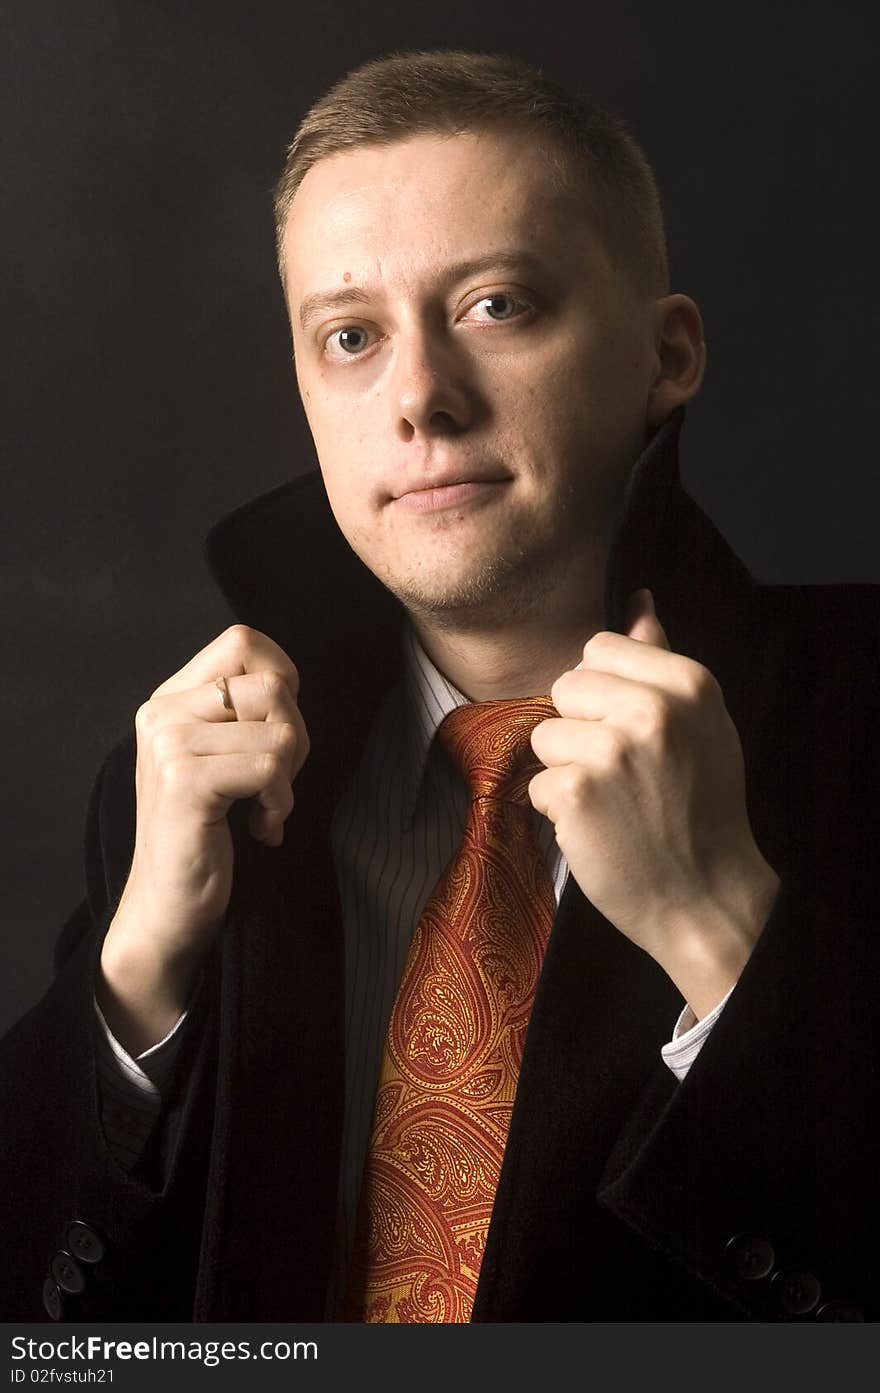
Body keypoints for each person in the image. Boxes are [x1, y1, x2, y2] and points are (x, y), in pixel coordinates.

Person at [1, 49, 876, 1324]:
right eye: (349, 337)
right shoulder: (190, 783)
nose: (418, 398)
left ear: (667, 353)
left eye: (496, 305)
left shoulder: (860, 714)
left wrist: (720, 929)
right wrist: (136, 973)